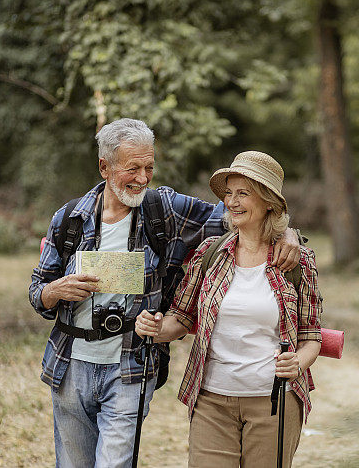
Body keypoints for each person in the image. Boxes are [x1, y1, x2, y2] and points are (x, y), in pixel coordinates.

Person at [29, 120, 301, 468]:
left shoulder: (164, 209)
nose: (143, 178)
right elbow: (37, 292)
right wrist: (55, 290)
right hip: (70, 365)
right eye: (133, 169)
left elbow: (241, 215)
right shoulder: (69, 218)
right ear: (104, 167)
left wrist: (287, 231)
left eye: (149, 167)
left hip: (130, 365)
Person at [135, 150, 323, 468]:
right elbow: (180, 317)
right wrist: (155, 328)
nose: (231, 202)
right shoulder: (210, 253)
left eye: (243, 194)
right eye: (229, 194)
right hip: (211, 400)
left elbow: (311, 338)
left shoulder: (298, 261)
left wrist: (297, 364)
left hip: (275, 400)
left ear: (269, 203)